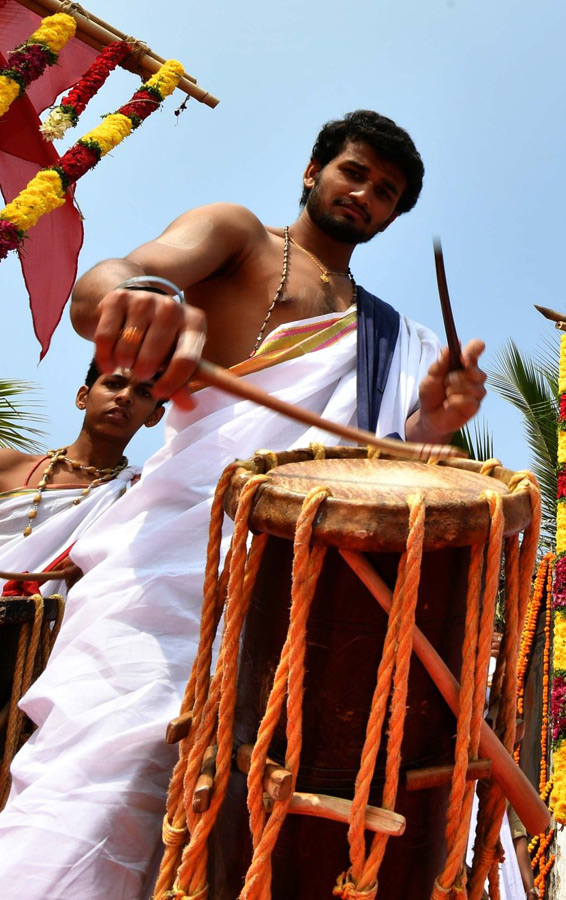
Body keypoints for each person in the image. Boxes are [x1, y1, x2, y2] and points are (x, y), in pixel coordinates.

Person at [0, 110, 487, 899]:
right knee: (99, 783)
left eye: (386, 191)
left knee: (248, 821)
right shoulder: (240, 236)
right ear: (312, 171)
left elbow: (394, 475)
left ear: (395, 215)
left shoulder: (390, 336)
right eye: (353, 172)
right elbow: (113, 285)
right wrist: (144, 298)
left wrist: (434, 421)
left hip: (299, 596)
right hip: (177, 563)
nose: (364, 193)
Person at [0, 362, 164, 592]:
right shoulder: (8, 466)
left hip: (66, 624)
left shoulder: (140, 494)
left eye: (144, 393)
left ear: (154, 417)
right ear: (82, 397)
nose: (125, 396)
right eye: (114, 384)